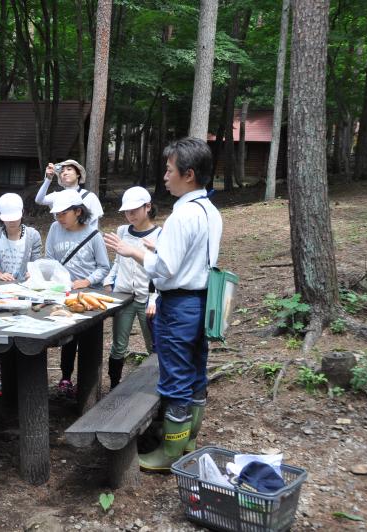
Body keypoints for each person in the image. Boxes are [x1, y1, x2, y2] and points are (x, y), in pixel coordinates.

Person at [104, 137, 222, 472]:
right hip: (203, 302)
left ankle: (169, 454)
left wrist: (135, 252)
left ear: (188, 174)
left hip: (179, 304)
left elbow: (165, 268)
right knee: (196, 371)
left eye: (170, 170)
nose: (165, 176)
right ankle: (188, 440)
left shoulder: (183, 216)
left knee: (175, 377)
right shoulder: (210, 211)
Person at [45, 189, 110, 397]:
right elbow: (49, 259)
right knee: (68, 338)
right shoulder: (55, 229)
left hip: (89, 297)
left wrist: (87, 281)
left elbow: (103, 267)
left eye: (63, 213)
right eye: (57, 214)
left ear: (78, 212)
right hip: (64, 294)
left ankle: (89, 386)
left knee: (89, 339)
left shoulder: (93, 235)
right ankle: (65, 377)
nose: (59, 218)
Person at [103, 186, 161, 388]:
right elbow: (118, 262)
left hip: (147, 299)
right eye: (127, 211)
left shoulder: (160, 235)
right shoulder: (122, 231)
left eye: (134, 210)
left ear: (147, 207)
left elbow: (161, 271)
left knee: (153, 345)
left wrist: (154, 299)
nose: (130, 215)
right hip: (124, 296)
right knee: (118, 345)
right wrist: (109, 281)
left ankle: (155, 387)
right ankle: (114, 385)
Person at [0, 193, 42, 282]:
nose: (12, 221)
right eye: (8, 218)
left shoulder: (33, 235)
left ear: (22, 212)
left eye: (15, 218)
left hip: (24, 285)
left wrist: (33, 272)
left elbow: (36, 261)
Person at [35, 159, 104, 228]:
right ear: (60, 178)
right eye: (62, 171)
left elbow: (94, 225)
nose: (65, 173)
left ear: (78, 174)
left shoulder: (90, 196)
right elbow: (39, 200)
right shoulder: (57, 195)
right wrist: (48, 179)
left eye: (69, 169)